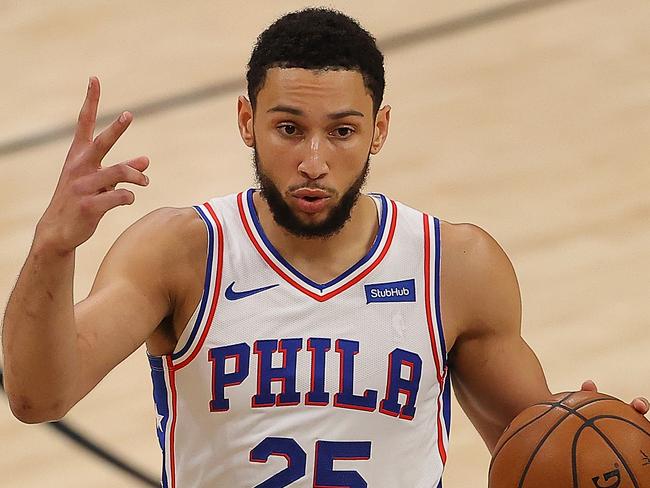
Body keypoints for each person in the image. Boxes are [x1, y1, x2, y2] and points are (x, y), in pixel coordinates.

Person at [2, 8, 647, 487]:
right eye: (288, 128)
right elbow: (39, 397)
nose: (314, 160)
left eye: (342, 131)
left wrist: (601, 429)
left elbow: (539, 448)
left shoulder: (453, 266)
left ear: (379, 129)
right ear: (246, 120)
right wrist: (51, 250)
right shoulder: (181, 253)